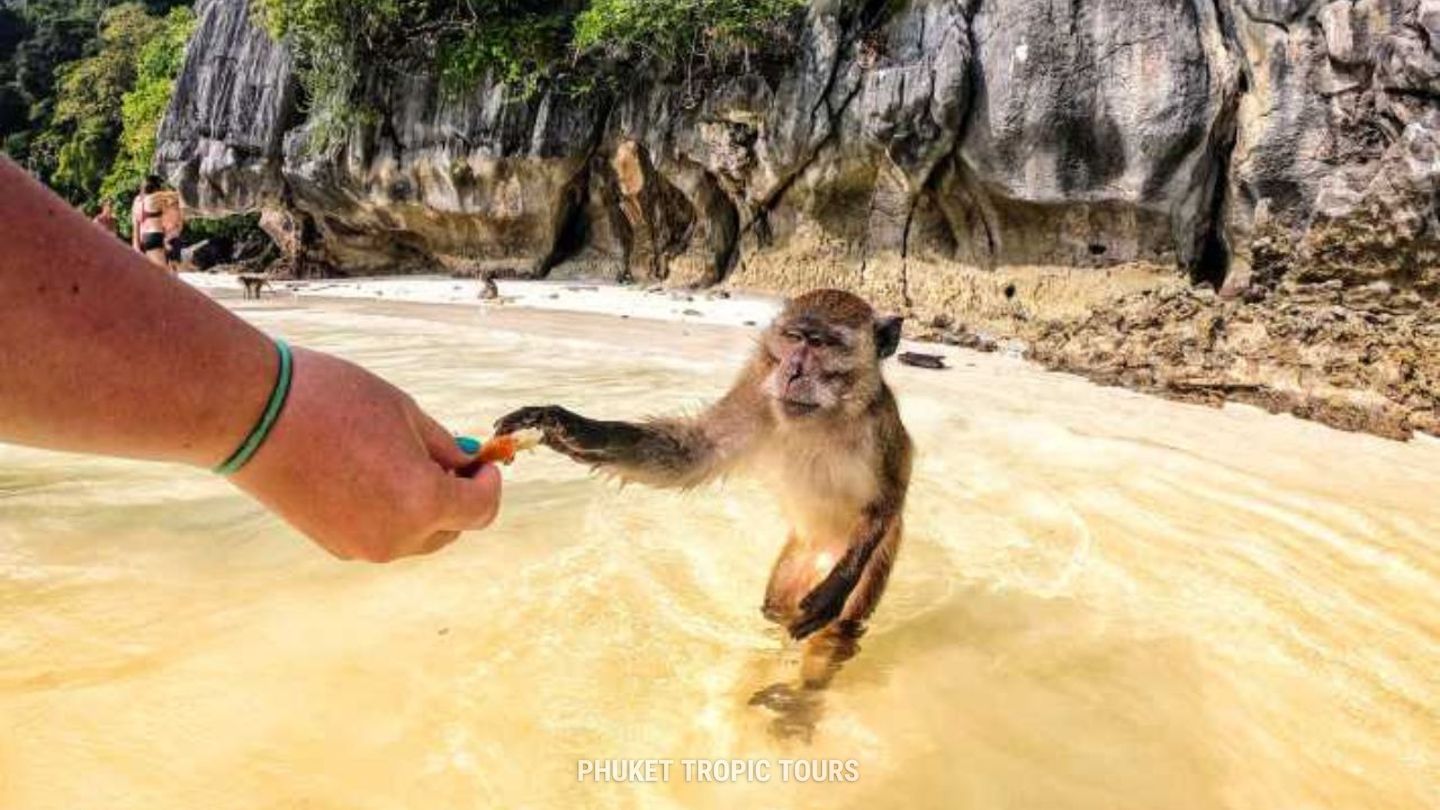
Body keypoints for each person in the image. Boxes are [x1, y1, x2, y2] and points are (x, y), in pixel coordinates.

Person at [0, 156, 503, 562]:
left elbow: (141, 235)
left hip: (142, 253)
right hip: (166, 268)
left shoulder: (141, 203)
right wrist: (277, 417)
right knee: (168, 278)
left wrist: (275, 414)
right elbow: (174, 228)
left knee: (162, 278)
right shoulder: (166, 203)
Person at [131, 175, 171, 269]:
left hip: (142, 239)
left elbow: (135, 224)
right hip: (155, 237)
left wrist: (136, 244)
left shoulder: (137, 200)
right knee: (163, 275)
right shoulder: (156, 198)